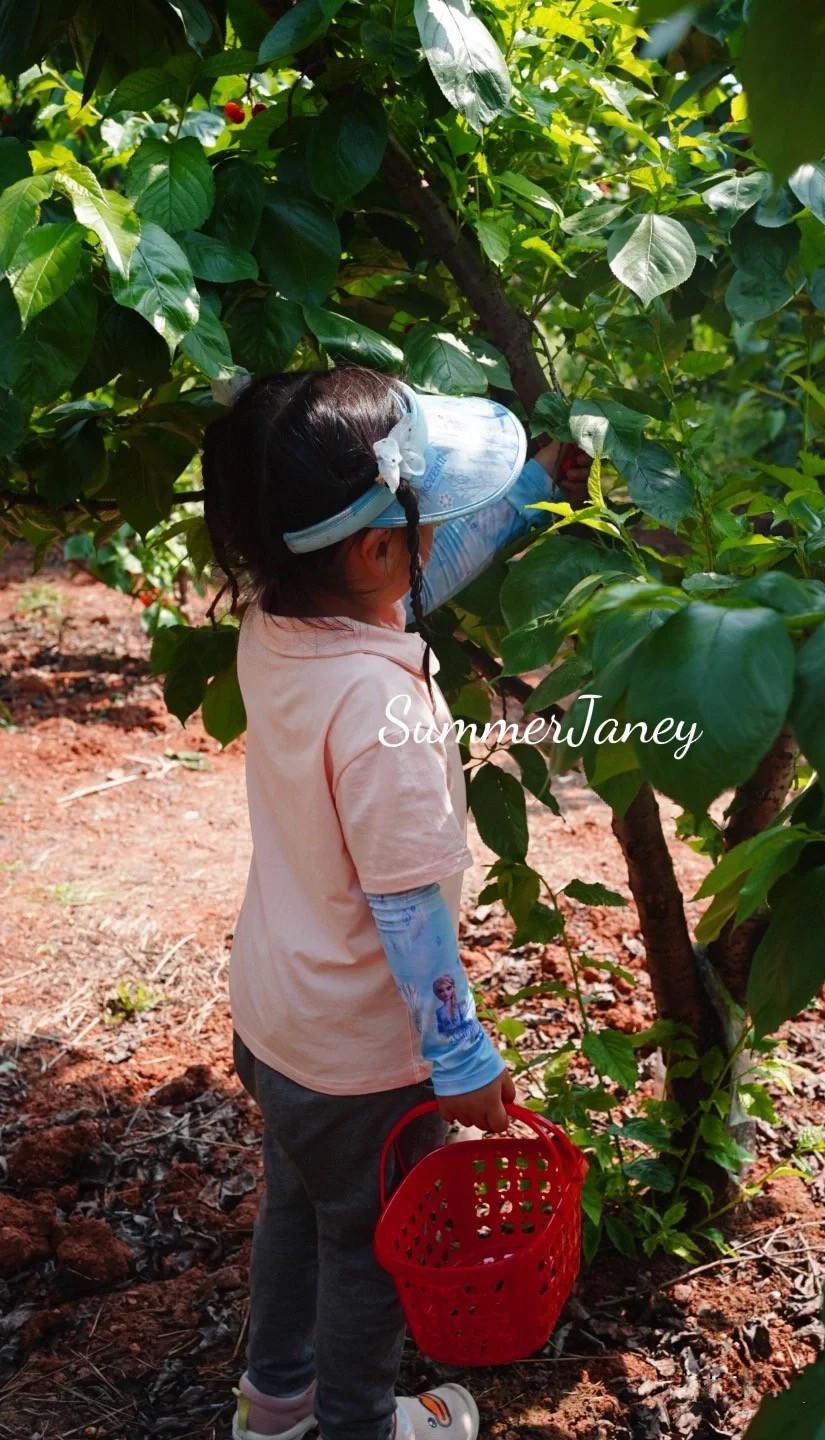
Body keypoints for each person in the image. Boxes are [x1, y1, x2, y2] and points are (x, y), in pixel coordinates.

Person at [199, 365, 588, 1440]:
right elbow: (410, 915)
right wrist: (462, 1062)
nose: (431, 549)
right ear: (375, 550)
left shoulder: (280, 623)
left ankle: (274, 1408)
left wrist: (522, 502)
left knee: (301, 1206)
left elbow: (412, 579)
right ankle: (360, 1426)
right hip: (364, 1061)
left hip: (277, 1021)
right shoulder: (383, 713)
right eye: (423, 526)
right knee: (367, 1249)